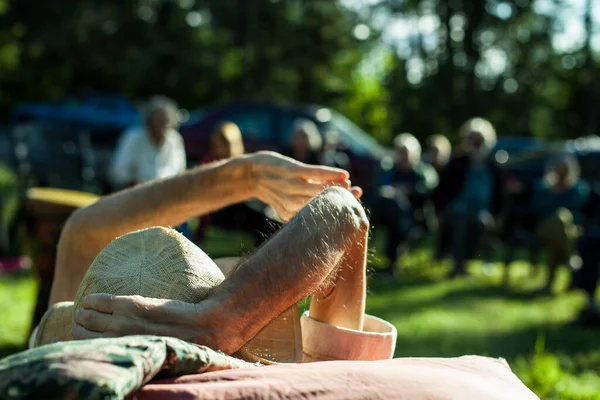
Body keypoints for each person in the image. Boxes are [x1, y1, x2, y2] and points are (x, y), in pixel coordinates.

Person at [27, 151, 538, 399]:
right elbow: (344, 212)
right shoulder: (300, 373)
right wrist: (218, 319)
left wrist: (244, 174)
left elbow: (80, 231)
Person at [432, 118, 507, 278]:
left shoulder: (494, 166)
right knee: (461, 219)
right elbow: (441, 191)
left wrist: (498, 217)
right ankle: (457, 266)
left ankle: (465, 262)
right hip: (457, 209)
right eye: (473, 140)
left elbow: (501, 197)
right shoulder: (458, 163)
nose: (476, 144)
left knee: (479, 222)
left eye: (480, 141)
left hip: (482, 212)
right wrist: (439, 212)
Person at [198, 122, 279, 244]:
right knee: (262, 222)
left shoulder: (241, 162)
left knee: (267, 218)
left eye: (224, 143)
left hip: (240, 208)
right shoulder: (210, 162)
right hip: (221, 211)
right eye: (217, 144)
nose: (220, 148)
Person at [372, 133, 438, 277]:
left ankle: (391, 265)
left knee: (398, 218)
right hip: (387, 213)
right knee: (393, 209)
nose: (403, 157)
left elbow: (430, 186)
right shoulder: (389, 170)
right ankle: (388, 265)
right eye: (400, 153)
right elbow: (380, 187)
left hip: (415, 215)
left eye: (406, 153)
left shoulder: (422, 172)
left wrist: (408, 190)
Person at [529, 155, 589, 293]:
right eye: (559, 170)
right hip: (545, 228)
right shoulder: (543, 187)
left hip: (570, 229)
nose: (561, 174)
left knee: (560, 229)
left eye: (565, 171)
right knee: (560, 218)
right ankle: (570, 257)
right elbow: (536, 206)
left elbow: (578, 205)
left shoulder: (578, 188)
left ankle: (548, 283)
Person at [109, 96, 186, 190]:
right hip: (135, 193)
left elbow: (180, 171)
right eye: (160, 119)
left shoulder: (175, 139)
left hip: (167, 193)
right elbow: (118, 172)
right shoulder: (133, 137)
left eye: (167, 120)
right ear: (150, 120)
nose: (164, 124)